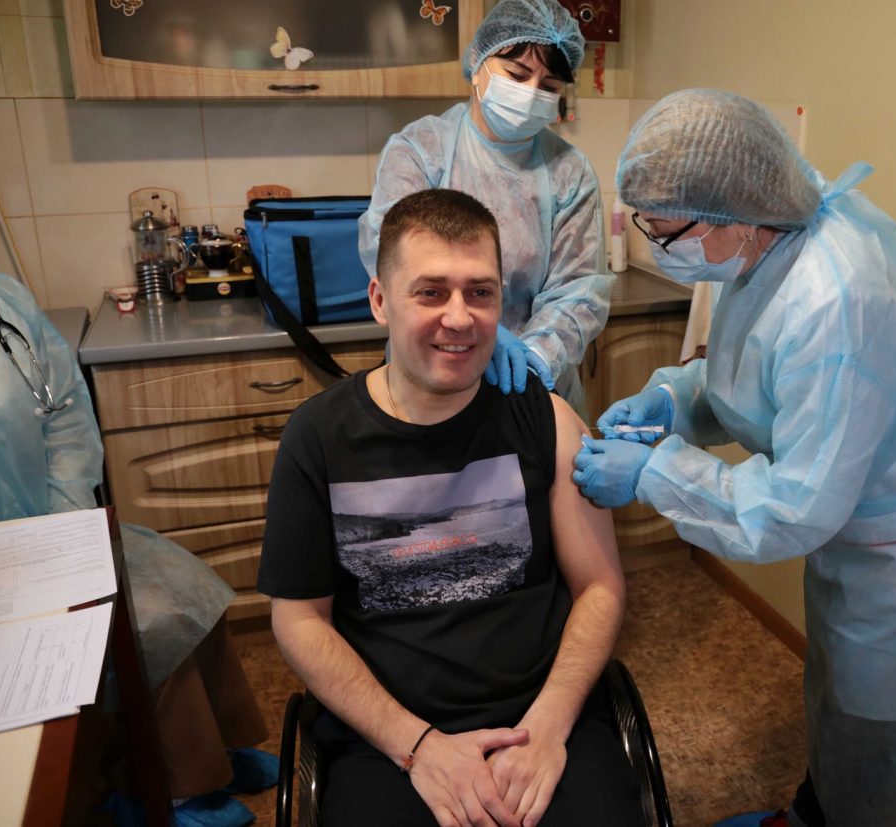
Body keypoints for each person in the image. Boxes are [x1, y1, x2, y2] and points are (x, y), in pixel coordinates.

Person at [572, 89, 896, 827]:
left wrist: (655, 472)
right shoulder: (767, 249)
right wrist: (674, 400)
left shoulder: (836, 297)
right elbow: (760, 378)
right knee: (845, 719)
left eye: (665, 230)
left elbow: (793, 507)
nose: (658, 244)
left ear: (731, 212)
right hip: (860, 546)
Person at [260, 189, 642, 827]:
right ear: (380, 300)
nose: (460, 318)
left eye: (480, 292)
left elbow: (600, 587)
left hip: (541, 717)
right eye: (431, 292)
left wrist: (549, 726)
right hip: (387, 734)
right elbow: (299, 619)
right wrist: (417, 746)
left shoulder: (545, 419)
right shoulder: (319, 437)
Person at [0, 271, 275, 827]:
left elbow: (64, 414)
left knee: (182, 581)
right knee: (149, 623)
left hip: (53, 525)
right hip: (7, 573)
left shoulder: (4, 296)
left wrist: (62, 524)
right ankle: (165, 785)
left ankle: (217, 748)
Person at [358, 0, 611, 419]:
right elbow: (392, 261)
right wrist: (482, 335)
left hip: (531, 384)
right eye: (517, 75)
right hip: (431, 374)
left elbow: (579, 290)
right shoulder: (421, 151)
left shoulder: (569, 171)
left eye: (549, 86)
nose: (531, 93)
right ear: (477, 63)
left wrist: (533, 359)